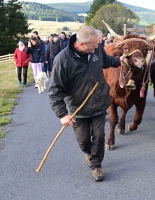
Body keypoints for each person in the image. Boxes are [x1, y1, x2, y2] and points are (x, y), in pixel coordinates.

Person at [48, 26, 127, 181]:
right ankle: (89, 153)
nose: (98, 47)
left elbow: (105, 61)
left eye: (97, 44)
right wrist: (62, 114)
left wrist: (119, 61)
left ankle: (96, 165)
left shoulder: (96, 49)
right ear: (82, 45)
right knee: (84, 140)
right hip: (78, 108)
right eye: (94, 45)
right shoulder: (62, 60)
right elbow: (55, 90)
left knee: (99, 136)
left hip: (99, 102)